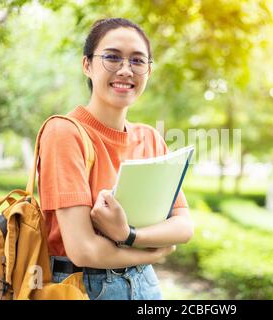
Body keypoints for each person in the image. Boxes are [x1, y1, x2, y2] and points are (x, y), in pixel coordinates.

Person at [37, 18, 194, 300]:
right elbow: (82, 248)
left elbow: (183, 226)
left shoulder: (149, 138)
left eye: (137, 60)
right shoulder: (64, 132)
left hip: (145, 284)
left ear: (148, 70)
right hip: (83, 286)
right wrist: (156, 250)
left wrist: (128, 234)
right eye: (112, 57)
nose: (125, 70)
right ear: (87, 65)